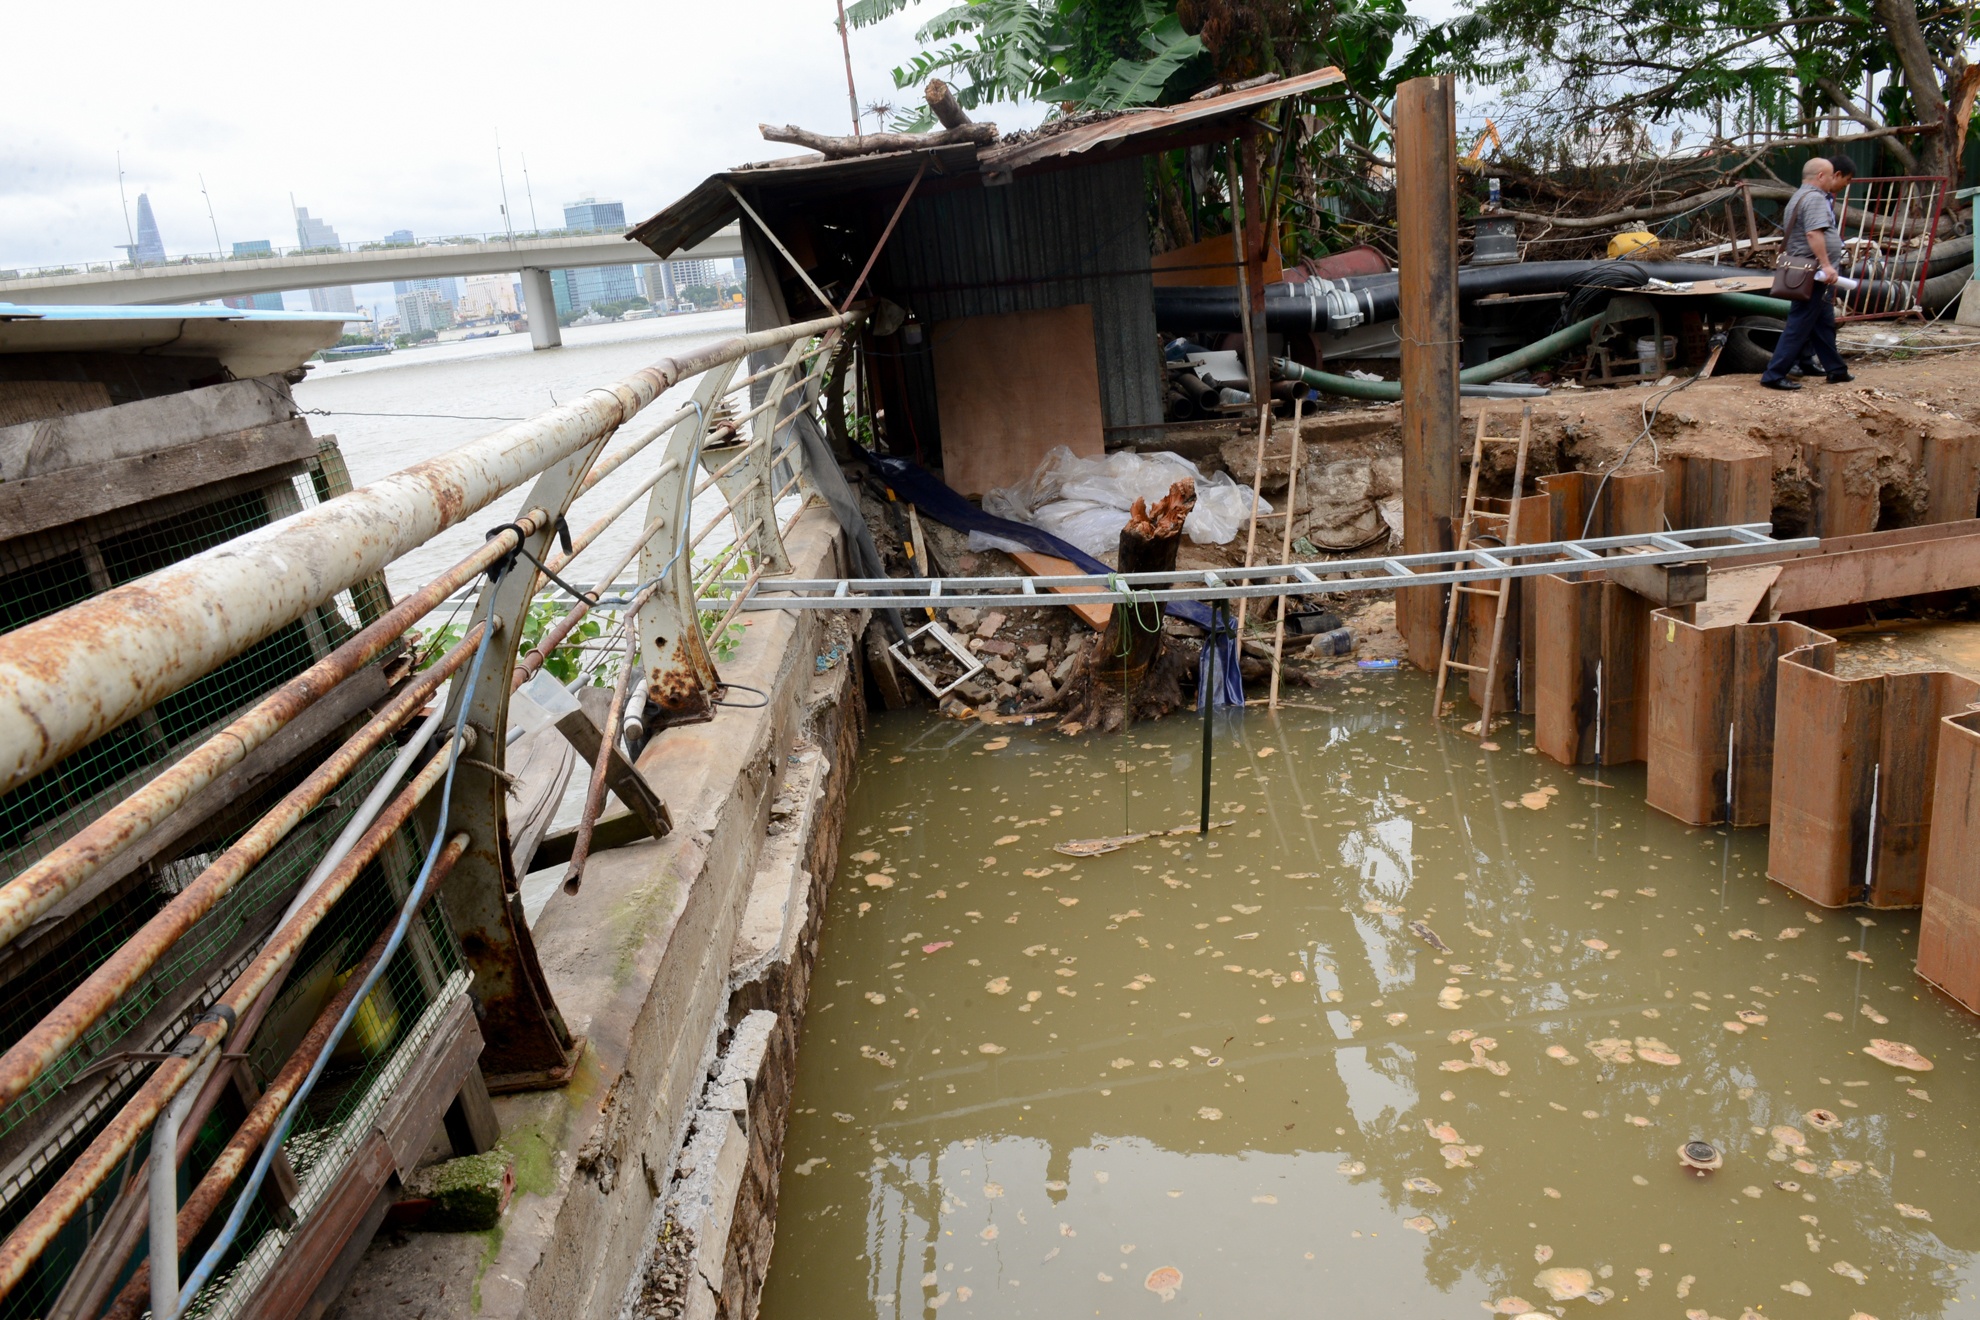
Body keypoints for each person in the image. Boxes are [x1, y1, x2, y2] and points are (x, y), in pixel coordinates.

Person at [1759, 157, 1853, 390]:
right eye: (1832, 176)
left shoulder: (1800, 196)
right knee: (1799, 324)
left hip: (1809, 271)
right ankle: (1773, 374)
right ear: (1821, 176)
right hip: (1814, 272)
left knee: (1823, 322)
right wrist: (1826, 265)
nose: (1834, 180)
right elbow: (1813, 234)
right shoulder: (1814, 199)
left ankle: (1835, 369)